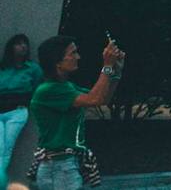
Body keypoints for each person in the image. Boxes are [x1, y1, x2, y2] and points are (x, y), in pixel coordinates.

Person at [27, 34, 122, 190]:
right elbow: (94, 99)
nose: (78, 57)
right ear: (57, 62)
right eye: (73, 53)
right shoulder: (49, 90)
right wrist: (107, 65)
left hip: (62, 164)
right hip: (58, 166)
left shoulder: (66, 87)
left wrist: (116, 70)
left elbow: (103, 98)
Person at [0, 34, 42, 177]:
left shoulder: (32, 69)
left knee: (7, 147)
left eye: (25, 44)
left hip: (17, 111)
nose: (23, 46)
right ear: (11, 47)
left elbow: (38, 89)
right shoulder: (3, 68)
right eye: (18, 44)